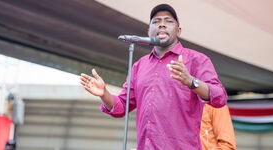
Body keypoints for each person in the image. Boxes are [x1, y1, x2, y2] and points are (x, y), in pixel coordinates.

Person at [80, 3, 227, 149]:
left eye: (168, 21)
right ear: (149, 30)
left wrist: (191, 82)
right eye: (156, 21)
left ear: (179, 30)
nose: (162, 25)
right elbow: (121, 107)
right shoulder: (139, 66)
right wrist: (104, 94)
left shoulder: (197, 60)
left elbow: (220, 97)